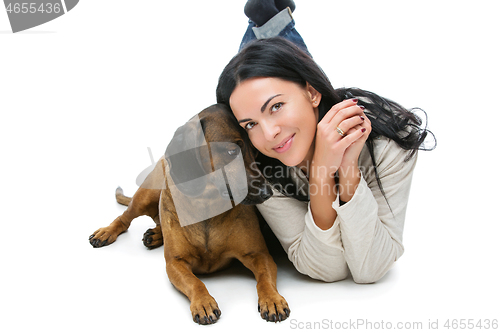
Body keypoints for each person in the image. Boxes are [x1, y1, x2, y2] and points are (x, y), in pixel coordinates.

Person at [216, 0, 435, 284]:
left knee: (276, 64)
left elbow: (371, 268)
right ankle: (270, 25)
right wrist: (322, 171)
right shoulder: (253, 163)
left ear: (312, 93)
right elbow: (325, 270)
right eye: (250, 124)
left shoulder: (387, 141)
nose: (268, 134)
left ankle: (270, 24)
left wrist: (348, 170)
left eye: (276, 106)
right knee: (193, 165)